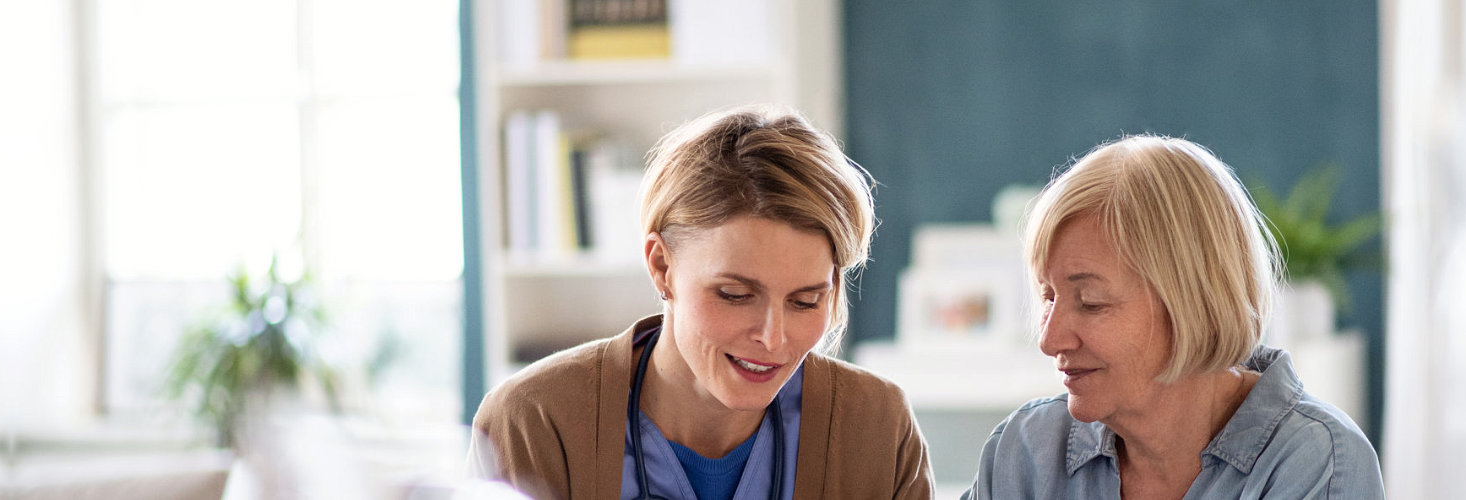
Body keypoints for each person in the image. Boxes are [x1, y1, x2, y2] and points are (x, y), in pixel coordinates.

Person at [473, 105, 933, 500]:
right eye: (734, 295)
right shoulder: (534, 422)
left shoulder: (876, 425)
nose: (773, 339)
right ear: (661, 266)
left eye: (806, 301)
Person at [963, 136, 1383, 499]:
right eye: (1047, 297)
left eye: (1090, 301)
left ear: (1193, 301)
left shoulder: (1315, 461)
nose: (1050, 340)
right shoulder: (1024, 452)